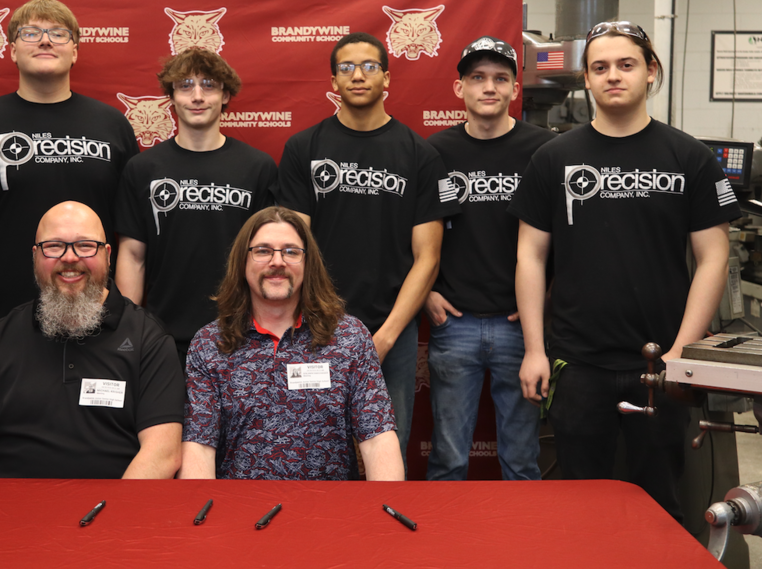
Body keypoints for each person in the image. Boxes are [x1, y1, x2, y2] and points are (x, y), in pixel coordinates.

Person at [509, 21, 740, 519]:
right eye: (600, 67)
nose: (613, 75)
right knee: (578, 504)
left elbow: (713, 256)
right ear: (586, 80)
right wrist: (534, 350)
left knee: (659, 503)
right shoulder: (553, 159)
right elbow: (530, 256)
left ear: (651, 71)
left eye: (626, 64)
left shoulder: (690, 158)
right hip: (578, 365)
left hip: (659, 367)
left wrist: (681, 352)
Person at [0, 0, 139, 383]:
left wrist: (125, 322)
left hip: (96, 323)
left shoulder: (112, 126)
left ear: (75, 50)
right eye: (31, 33)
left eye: (58, 33)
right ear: (11, 50)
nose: (45, 41)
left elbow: (132, 239)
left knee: (99, 440)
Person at [276, 32, 460, 464]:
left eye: (369, 66)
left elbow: (428, 257)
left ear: (387, 79)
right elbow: (292, 248)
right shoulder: (304, 148)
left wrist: (386, 336)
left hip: (390, 332)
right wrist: (314, 322)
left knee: (384, 456)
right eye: (346, 68)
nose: (358, 75)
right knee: (312, 452)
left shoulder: (420, 154)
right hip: (314, 329)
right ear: (334, 82)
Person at [0, 201, 184, 479]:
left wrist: (109, 518)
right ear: (35, 256)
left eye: (85, 245)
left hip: (109, 513)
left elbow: (162, 455)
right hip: (9, 514)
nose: (69, 257)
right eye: (53, 246)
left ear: (107, 255)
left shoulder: (148, 339)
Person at [180, 206, 404, 480]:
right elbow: (199, 448)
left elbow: (378, 437)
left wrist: (381, 516)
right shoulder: (209, 344)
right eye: (263, 251)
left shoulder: (350, 337)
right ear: (242, 262)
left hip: (330, 514)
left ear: (308, 263)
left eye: (291, 251)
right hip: (239, 514)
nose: (277, 262)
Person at [424, 36, 556, 481]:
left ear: (515, 90)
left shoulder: (545, 151)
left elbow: (565, 236)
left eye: (501, 78)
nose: (489, 87)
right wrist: (428, 294)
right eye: (477, 78)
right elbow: (411, 234)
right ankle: (440, 549)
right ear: (458, 87)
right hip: (453, 324)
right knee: (447, 458)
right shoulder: (434, 152)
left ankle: (526, 548)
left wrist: (544, 303)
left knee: (521, 460)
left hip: (520, 327)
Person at [115, 49, 276, 366]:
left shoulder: (257, 168)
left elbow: (268, 257)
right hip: (163, 339)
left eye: (209, 85)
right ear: (171, 96)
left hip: (241, 338)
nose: (197, 96)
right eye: (186, 85)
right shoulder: (143, 168)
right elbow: (133, 256)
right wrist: (126, 332)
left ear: (225, 94)